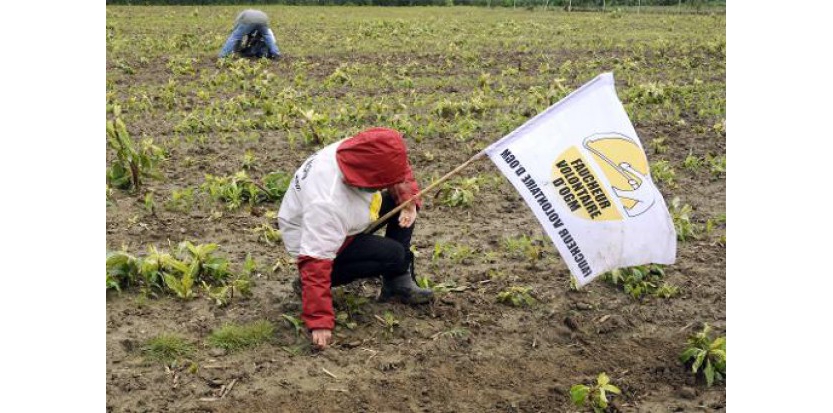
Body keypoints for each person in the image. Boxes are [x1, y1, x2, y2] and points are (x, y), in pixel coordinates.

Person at [278, 128, 434, 350]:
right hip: (314, 237)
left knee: (401, 205)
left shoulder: (358, 149)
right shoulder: (326, 202)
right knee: (393, 254)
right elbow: (315, 259)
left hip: (348, 213)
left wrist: (407, 200)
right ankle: (309, 285)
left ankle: (397, 284)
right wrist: (319, 320)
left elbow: (396, 166)